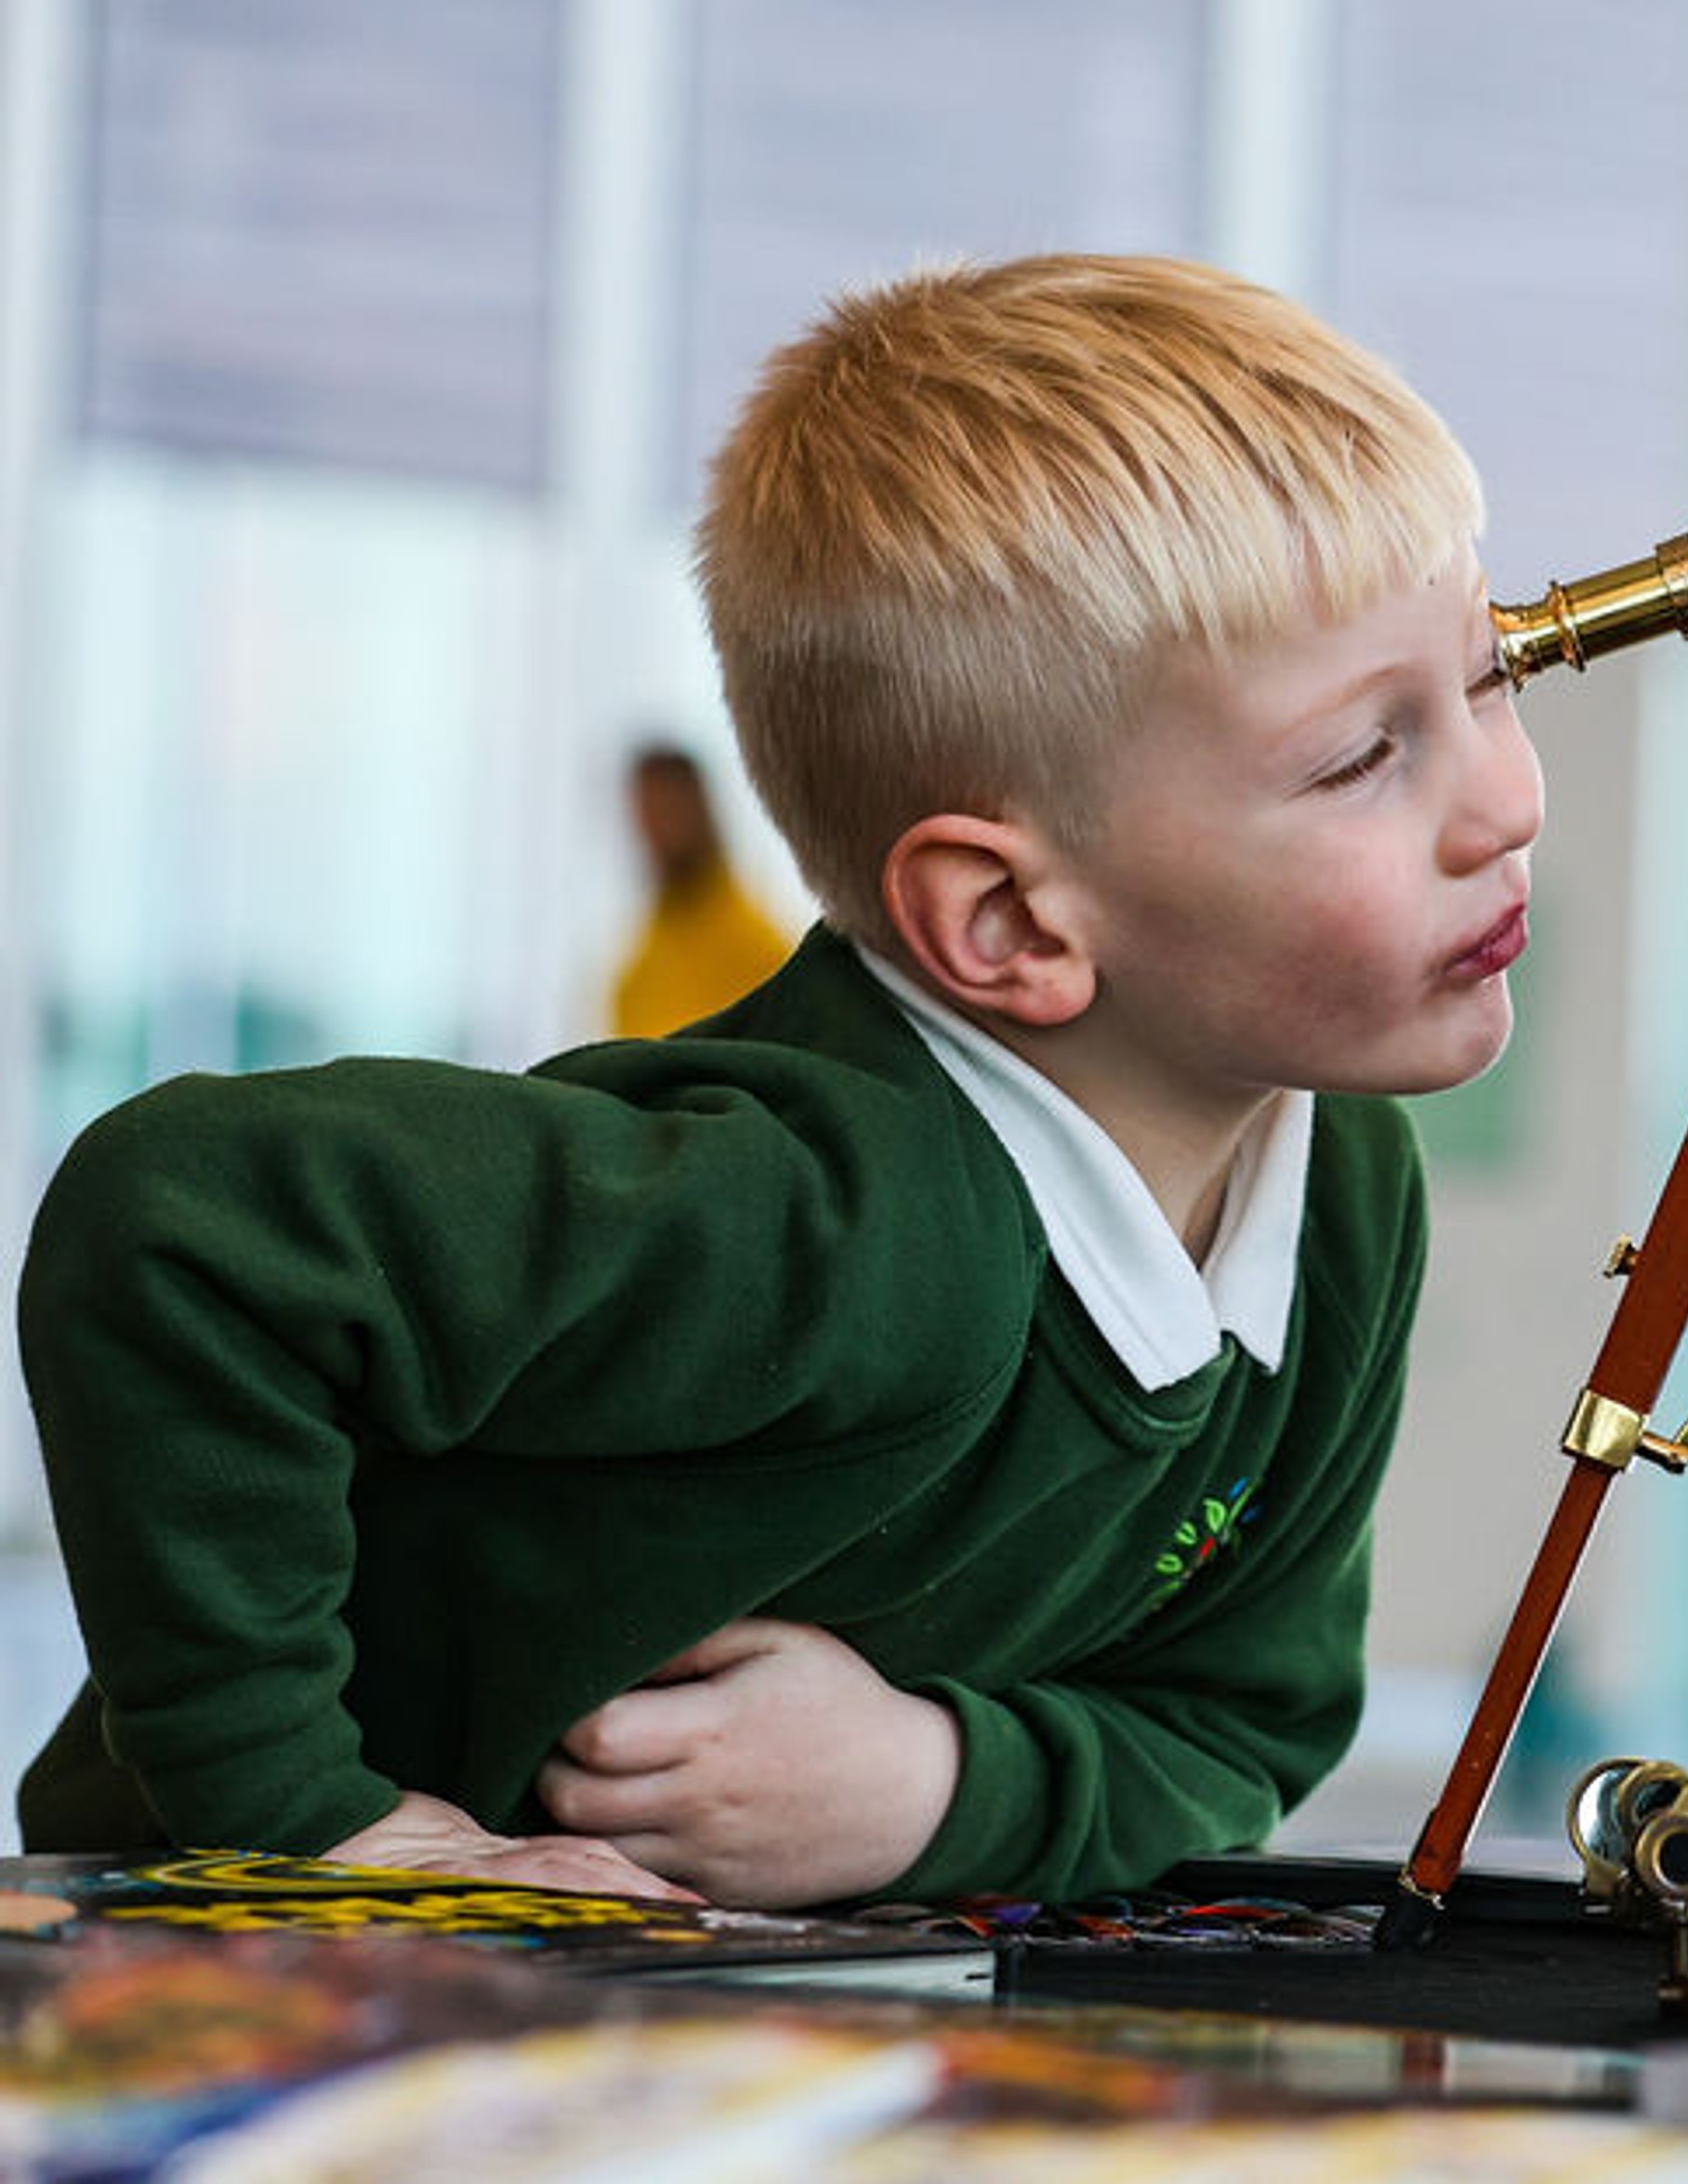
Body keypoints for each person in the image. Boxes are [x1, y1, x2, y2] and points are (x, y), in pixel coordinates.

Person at [14, 254, 1543, 1909]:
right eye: (1359, 758)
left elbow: (1245, 1727)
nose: (1507, 804)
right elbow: (176, 1223)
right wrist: (310, 1823)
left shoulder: (1341, 1195)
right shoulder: (830, 1212)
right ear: (1014, 920)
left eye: (1486, 675)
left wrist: (929, 1782)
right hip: (223, 1980)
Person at [608, 742, 794, 1038]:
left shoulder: (762, 952)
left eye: (666, 810)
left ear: (699, 808)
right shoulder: (636, 975)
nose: (654, 831)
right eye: (645, 814)